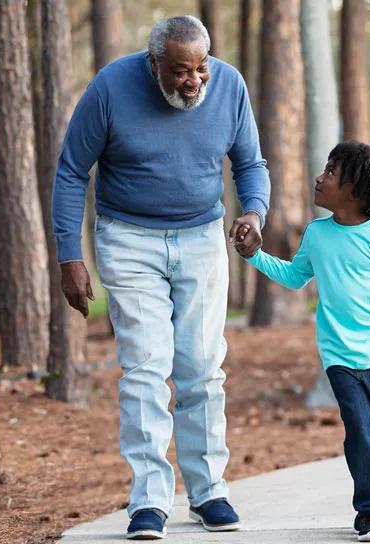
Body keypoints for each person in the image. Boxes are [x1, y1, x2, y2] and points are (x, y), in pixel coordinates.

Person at [51, 15, 270, 540]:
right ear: (154, 65)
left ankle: (208, 490)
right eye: (179, 70)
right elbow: (70, 172)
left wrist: (254, 212)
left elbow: (250, 163)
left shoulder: (230, 86)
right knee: (146, 368)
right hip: (128, 240)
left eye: (201, 69)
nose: (192, 81)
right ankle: (148, 500)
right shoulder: (110, 88)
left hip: (201, 239)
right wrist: (69, 256)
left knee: (201, 367)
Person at [234, 141, 370, 542]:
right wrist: (254, 255)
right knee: (360, 429)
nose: (320, 178)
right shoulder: (318, 235)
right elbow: (294, 277)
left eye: (331, 173)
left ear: (354, 190)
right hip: (339, 354)